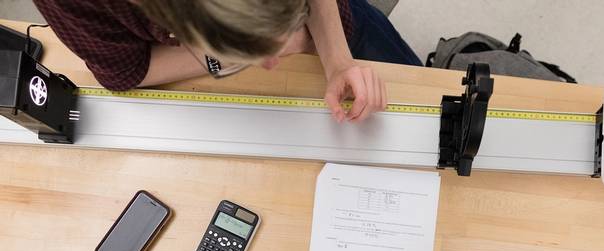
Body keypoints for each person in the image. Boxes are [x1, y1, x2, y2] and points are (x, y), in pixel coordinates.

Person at [33, 0, 423, 123]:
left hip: (336, 23)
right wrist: (220, 62)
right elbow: (124, 72)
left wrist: (337, 60)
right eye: (250, 52)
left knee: (423, 89)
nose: (271, 62)